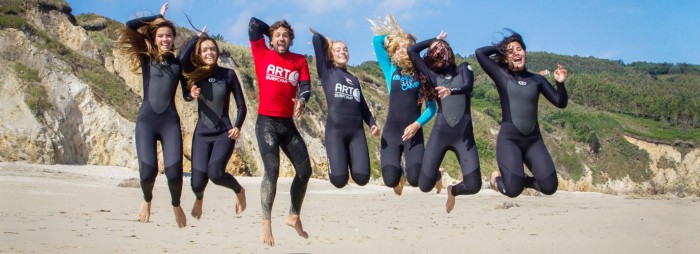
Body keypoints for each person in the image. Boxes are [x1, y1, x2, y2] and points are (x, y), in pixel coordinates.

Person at [115, 3, 190, 228]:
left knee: (174, 173)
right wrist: (157, 17)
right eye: (161, 35)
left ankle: (176, 204)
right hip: (147, 121)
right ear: (155, 38)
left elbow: (187, 95)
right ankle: (147, 200)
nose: (165, 39)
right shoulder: (146, 57)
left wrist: (193, 93)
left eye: (169, 35)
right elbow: (130, 26)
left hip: (169, 122)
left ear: (174, 38)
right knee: (148, 172)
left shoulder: (179, 64)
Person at [474, 29, 568, 198]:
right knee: (513, 191)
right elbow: (480, 53)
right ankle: (496, 180)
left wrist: (560, 83)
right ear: (505, 57)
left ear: (525, 52)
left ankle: (520, 180)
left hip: (533, 141)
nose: (516, 53)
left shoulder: (537, 80)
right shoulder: (502, 76)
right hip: (509, 140)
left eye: (519, 49)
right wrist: (503, 48)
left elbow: (560, 103)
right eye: (511, 52)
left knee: (549, 186)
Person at [248, 17, 312, 246]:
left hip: (287, 124)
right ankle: (266, 221)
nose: (282, 38)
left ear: (291, 39)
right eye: (278, 36)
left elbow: (305, 87)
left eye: (286, 35)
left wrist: (302, 102)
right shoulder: (262, 53)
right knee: (272, 170)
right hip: (266, 123)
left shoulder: (299, 60)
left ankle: (294, 215)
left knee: (305, 171)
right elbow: (253, 24)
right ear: (271, 39)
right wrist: (271, 31)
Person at [408, 31, 482, 213]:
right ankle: (439, 174)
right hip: (441, 134)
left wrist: (451, 91)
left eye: (443, 46)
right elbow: (412, 51)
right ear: (431, 57)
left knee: (474, 185)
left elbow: (468, 86)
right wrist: (434, 40)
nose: (441, 49)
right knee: (424, 186)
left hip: (463, 137)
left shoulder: (463, 68)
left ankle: (452, 190)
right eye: (436, 49)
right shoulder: (433, 75)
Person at [180, 27, 247, 219]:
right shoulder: (196, 73)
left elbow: (242, 106)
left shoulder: (228, 75)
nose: (210, 52)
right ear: (200, 54)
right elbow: (183, 59)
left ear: (217, 52)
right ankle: (199, 199)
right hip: (201, 133)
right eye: (205, 50)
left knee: (216, 174)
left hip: (224, 133)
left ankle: (239, 190)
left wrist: (238, 127)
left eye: (213, 49)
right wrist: (197, 37)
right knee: (196, 184)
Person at [369, 15, 437, 195]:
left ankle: (437, 175)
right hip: (391, 133)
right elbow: (376, 41)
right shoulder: (391, 69)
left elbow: (432, 108)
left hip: (413, 134)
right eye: (396, 48)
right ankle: (399, 176)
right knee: (390, 179)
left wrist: (416, 125)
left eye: (404, 47)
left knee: (415, 180)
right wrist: (395, 37)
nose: (399, 50)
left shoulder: (423, 75)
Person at [310, 28, 380, 188]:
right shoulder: (327, 72)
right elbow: (316, 39)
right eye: (338, 50)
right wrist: (328, 41)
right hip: (335, 131)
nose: (343, 52)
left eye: (345, 49)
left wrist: (372, 124)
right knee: (339, 180)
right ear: (331, 54)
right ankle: (341, 157)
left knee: (362, 178)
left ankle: (349, 156)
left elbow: (362, 105)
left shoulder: (354, 79)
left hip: (356, 132)